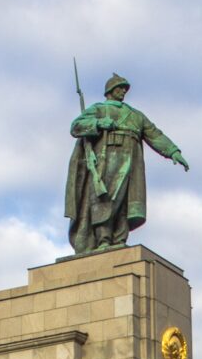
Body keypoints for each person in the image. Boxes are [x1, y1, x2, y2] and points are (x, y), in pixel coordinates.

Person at [65, 73, 189, 254]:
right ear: (110, 90)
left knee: (125, 201)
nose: (123, 91)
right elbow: (76, 126)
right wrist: (99, 123)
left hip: (132, 160)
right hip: (106, 158)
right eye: (120, 88)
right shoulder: (99, 109)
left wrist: (173, 152)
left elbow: (154, 134)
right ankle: (103, 240)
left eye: (125, 89)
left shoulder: (136, 115)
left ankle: (119, 238)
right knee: (104, 199)